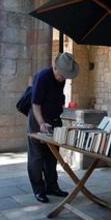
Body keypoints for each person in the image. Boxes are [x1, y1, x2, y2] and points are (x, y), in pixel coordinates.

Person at [27, 52, 79, 203]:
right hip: (38, 121)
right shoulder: (43, 77)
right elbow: (35, 104)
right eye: (61, 74)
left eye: (65, 75)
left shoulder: (61, 79)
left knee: (52, 155)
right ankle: (38, 189)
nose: (63, 78)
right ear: (54, 67)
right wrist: (42, 123)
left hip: (54, 120)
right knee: (37, 156)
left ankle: (52, 186)